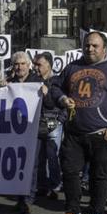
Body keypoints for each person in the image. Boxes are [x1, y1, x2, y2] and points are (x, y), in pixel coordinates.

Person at [50, 31, 107, 214]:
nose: (90, 49)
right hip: (74, 133)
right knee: (70, 173)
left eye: (95, 45)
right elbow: (54, 87)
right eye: (87, 45)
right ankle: (73, 212)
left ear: (104, 48)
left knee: (99, 176)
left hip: (101, 133)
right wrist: (62, 99)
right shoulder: (72, 67)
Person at [8, 51, 45, 214]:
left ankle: (28, 198)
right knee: (17, 163)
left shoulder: (37, 82)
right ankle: (20, 197)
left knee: (32, 163)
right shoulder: (9, 83)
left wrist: (45, 90)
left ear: (29, 65)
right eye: (16, 64)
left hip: (32, 129)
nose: (19, 67)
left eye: (23, 63)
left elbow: (49, 102)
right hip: (14, 131)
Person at [33, 52, 63, 200]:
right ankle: (42, 185)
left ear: (49, 65)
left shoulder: (57, 81)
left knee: (52, 156)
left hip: (53, 123)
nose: (36, 68)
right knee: (40, 156)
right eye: (35, 65)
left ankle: (55, 186)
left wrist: (46, 95)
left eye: (39, 65)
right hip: (37, 124)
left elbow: (53, 104)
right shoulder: (33, 81)